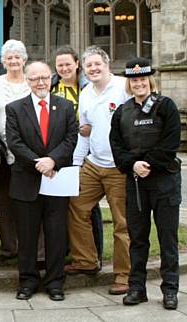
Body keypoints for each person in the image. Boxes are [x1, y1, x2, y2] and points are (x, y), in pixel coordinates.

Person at [110, 57, 182, 310]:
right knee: (138, 238)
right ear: (129, 83)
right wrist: (133, 165)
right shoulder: (121, 112)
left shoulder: (166, 106)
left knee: (167, 238)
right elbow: (117, 147)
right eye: (134, 80)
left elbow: (171, 142)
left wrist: (146, 163)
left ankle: (170, 290)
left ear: (149, 80)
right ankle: (137, 288)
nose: (138, 83)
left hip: (164, 181)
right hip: (136, 183)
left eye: (142, 79)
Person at [5, 61, 78, 302]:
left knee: (56, 234)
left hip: (56, 179)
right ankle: (27, 281)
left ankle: (55, 282)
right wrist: (39, 162)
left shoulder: (66, 106)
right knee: (26, 235)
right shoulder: (15, 108)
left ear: (51, 78)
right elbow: (14, 142)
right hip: (27, 179)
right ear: (27, 80)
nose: (40, 82)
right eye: (35, 78)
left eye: (44, 77)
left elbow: (70, 139)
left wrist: (53, 161)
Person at [67, 46, 131, 296]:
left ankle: (124, 274)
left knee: (122, 223)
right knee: (75, 205)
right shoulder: (85, 93)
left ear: (107, 64)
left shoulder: (124, 87)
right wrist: (76, 164)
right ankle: (86, 261)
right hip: (93, 164)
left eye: (97, 64)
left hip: (119, 166)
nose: (93, 69)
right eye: (89, 65)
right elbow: (85, 131)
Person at [50, 46, 104, 269]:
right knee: (63, 204)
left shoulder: (88, 88)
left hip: (85, 152)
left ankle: (95, 253)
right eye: (60, 65)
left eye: (68, 64)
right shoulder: (52, 86)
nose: (64, 68)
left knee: (88, 205)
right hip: (59, 153)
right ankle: (68, 251)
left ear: (76, 64)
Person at [0, 39, 31, 260]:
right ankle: (10, 247)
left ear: (24, 60)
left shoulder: (31, 82)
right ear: (3, 61)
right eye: (9, 57)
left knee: (27, 199)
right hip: (0, 151)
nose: (13, 61)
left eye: (17, 57)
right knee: (3, 201)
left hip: (28, 151)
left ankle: (28, 244)